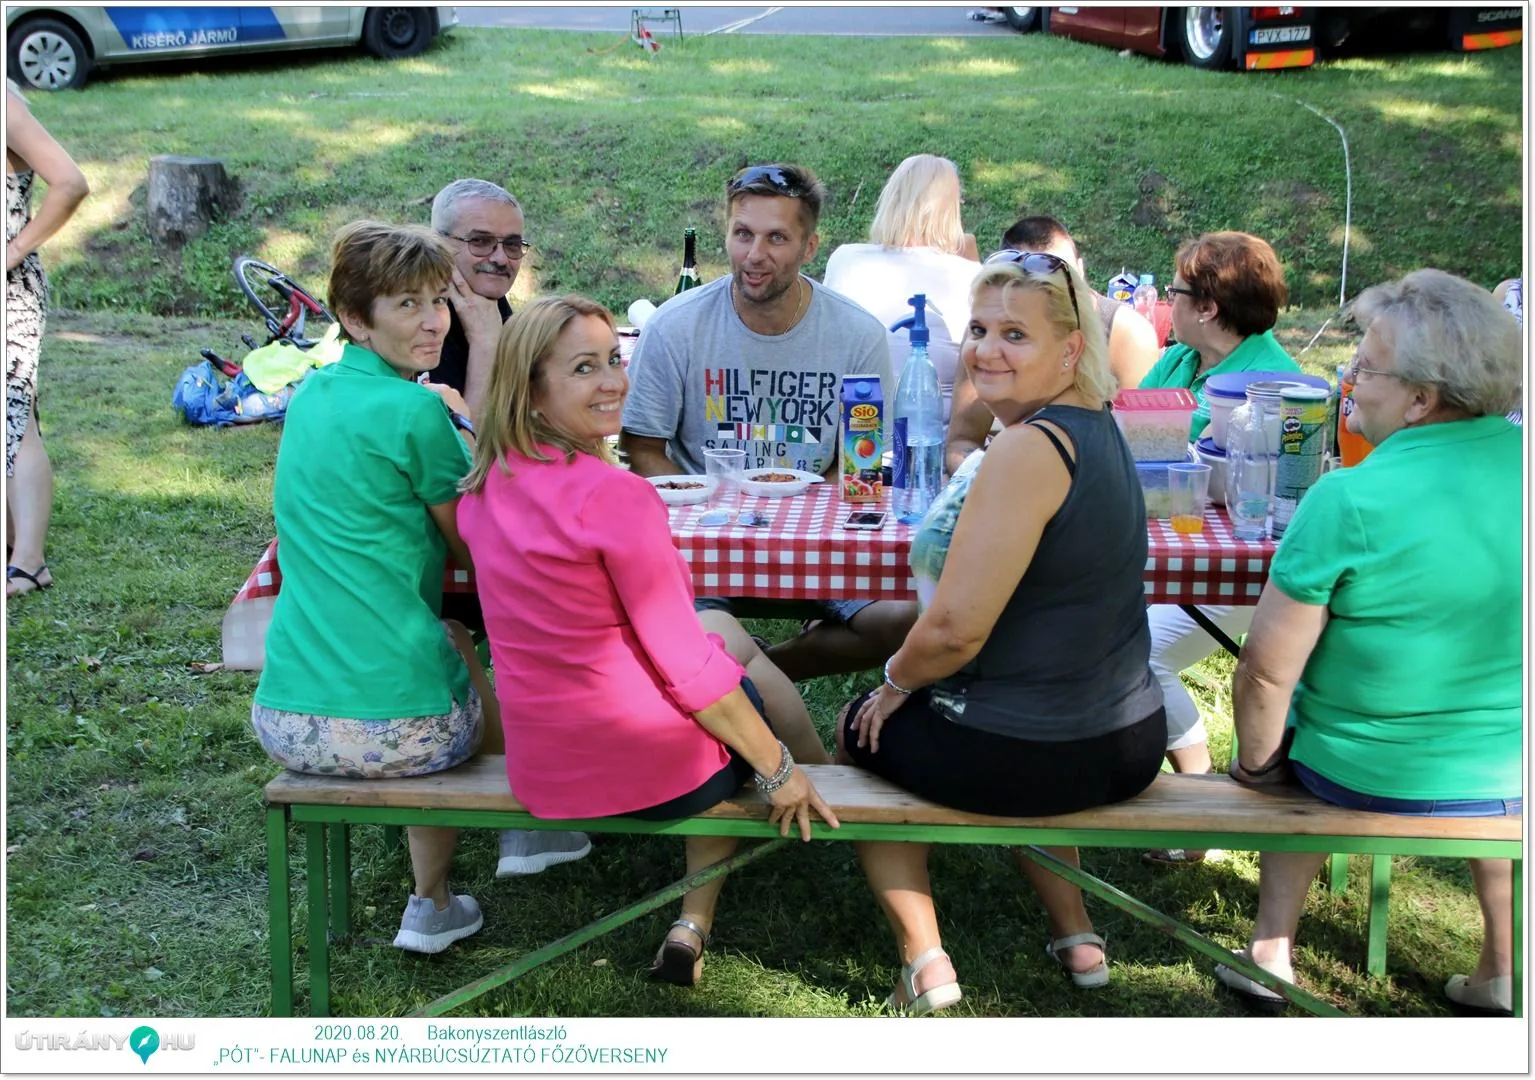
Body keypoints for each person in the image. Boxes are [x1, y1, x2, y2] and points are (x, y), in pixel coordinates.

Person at [458, 294, 839, 986]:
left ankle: (704, 908)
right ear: (533, 394)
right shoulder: (616, 497)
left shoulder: (482, 488)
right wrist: (776, 769)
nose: (613, 382)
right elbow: (688, 674)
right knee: (732, 691)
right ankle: (707, 903)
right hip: (645, 768)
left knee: (725, 642)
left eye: (612, 359)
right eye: (583, 368)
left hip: (542, 764)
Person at [837, 252, 1166, 1014]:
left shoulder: (1027, 446)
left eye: (1014, 334)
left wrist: (890, 688)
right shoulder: (1098, 429)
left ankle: (925, 959)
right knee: (1028, 722)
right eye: (979, 329)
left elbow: (951, 630)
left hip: (1037, 754)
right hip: (1128, 739)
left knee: (855, 736)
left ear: (1070, 350)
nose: (985, 350)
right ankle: (1076, 936)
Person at [1215, 269, 1522, 1015]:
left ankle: (1269, 949)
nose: (1347, 379)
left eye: (1366, 366)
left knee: (1289, 739)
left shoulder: (1346, 495)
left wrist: (1253, 767)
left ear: (1420, 399)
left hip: (1358, 768)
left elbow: (1262, 673)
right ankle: (1499, 967)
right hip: (1509, 769)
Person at [250, 221, 496, 955]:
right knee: (462, 651)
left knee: (434, 647)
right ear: (356, 319)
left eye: (437, 301)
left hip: (286, 718)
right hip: (402, 730)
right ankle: (445, 890)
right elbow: (478, 549)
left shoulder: (313, 396)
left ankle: (468, 873)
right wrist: (456, 421)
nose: (432, 322)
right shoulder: (416, 409)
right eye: (407, 306)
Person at [620, 162, 899, 682]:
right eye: (742, 233)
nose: (754, 255)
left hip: (815, 537)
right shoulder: (675, 326)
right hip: (704, 537)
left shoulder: (857, 334)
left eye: (777, 238)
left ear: (809, 247)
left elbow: (864, 461)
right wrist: (700, 507)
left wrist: (819, 529)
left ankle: (764, 668)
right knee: (682, 636)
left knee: (909, 620)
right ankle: (733, 669)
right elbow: (642, 446)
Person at [1133, 231, 1301, 864]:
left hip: (1249, 571)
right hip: (1166, 544)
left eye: (1173, 292)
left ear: (1206, 307)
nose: (1164, 304)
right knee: (1108, 635)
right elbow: (1127, 423)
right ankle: (1196, 793)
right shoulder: (1181, 360)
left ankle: (1201, 799)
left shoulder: (1273, 385)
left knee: (1136, 654)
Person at [942, 214, 1160, 474]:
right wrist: (981, 481)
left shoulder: (1128, 334)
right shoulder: (989, 337)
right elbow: (962, 442)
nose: (988, 350)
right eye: (1020, 282)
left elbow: (1141, 456)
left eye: (1015, 335)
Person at [6, 80, 88, 597]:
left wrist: (11, 253)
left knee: (15, 421)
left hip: (9, 290)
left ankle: (30, 561)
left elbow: (71, 183)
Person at [822, 153, 980, 421]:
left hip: (854, 427)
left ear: (891, 199)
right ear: (951, 210)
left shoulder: (846, 259)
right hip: (936, 433)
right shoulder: (970, 275)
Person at [429, 178, 526, 416]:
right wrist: (485, 345)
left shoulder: (489, 300)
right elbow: (466, 448)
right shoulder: (420, 322)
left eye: (512, 245)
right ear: (439, 243)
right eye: (481, 241)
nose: (501, 259)